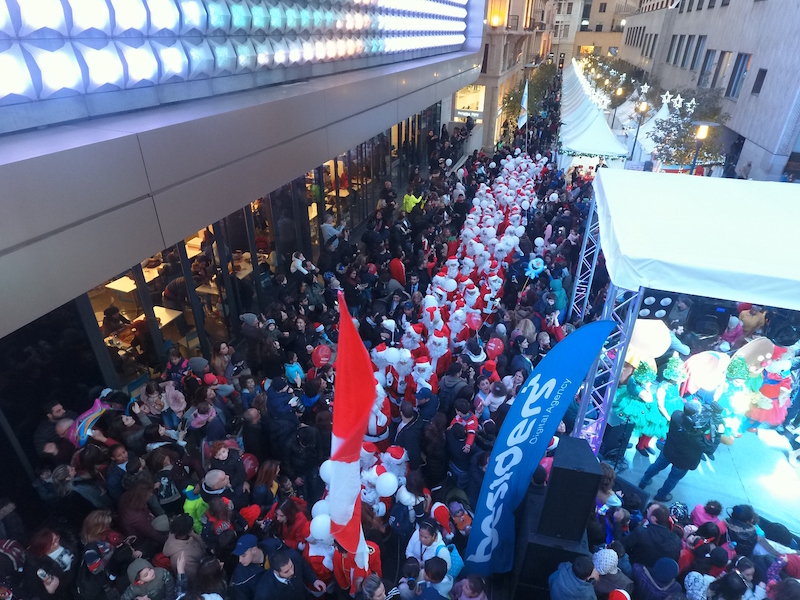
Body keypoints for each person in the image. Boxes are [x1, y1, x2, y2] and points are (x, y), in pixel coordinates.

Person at [638, 403, 705, 502]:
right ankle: (661, 495)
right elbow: (707, 447)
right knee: (673, 479)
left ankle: (643, 482)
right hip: (683, 460)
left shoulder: (676, 414)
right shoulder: (696, 432)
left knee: (656, 466)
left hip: (669, 450)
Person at [623, 504, 681, 568]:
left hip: (635, 569)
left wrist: (617, 523)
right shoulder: (677, 540)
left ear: (653, 519)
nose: (647, 511)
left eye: (648, 510)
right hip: (658, 575)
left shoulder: (640, 532)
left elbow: (623, 546)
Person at [253, 549, 325, 600]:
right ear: (276, 572)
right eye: (286, 571)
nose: (292, 572)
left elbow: (304, 567)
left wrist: (314, 580)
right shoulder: (264, 593)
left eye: (291, 566)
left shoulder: (294, 556)